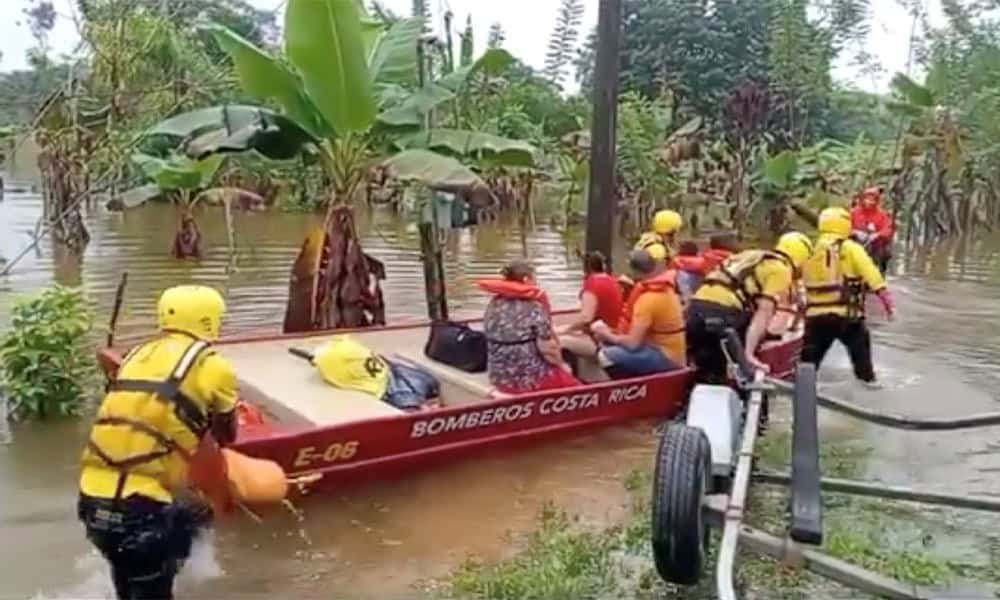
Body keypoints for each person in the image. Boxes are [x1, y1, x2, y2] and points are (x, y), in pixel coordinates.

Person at [78, 285, 239, 600]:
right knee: (151, 583)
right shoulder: (213, 366)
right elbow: (227, 435)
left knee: (193, 515)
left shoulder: (136, 355)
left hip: (91, 504)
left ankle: (166, 568)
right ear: (209, 319)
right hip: (140, 513)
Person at [685, 231, 814, 382]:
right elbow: (764, 313)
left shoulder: (748, 256)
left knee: (707, 366)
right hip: (725, 314)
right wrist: (749, 354)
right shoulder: (780, 269)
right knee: (743, 375)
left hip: (695, 310)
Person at [802, 206, 895, 387]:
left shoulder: (810, 248)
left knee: (807, 369)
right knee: (865, 373)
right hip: (848, 319)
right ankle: (869, 392)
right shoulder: (851, 248)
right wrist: (888, 303)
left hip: (816, 318)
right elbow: (872, 276)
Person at [480, 260, 581, 394]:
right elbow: (548, 350)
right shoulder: (534, 307)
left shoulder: (494, 304)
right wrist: (562, 365)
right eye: (535, 278)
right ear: (527, 279)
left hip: (498, 377)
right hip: (530, 379)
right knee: (577, 386)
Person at [590, 249, 686, 379]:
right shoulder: (667, 288)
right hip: (667, 350)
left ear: (634, 271)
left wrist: (606, 334)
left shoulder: (647, 299)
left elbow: (632, 343)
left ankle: (626, 387)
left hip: (667, 357)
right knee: (609, 343)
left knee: (605, 355)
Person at [558, 251, 624, 369]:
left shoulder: (592, 284)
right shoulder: (613, 281)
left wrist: (566, 329)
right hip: (612, 332)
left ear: (586, 269)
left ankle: (569, 378)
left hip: (599, 340)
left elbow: (586, 318)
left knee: (557, 341)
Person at [850, 186, 893, 273]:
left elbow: (888, 229)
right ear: (863, 199)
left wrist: (877, 235)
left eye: (873, 200)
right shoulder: (853, 212)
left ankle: (879, 274)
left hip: (875, 248)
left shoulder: (882, 214)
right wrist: (855, 232)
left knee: (885, 252)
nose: (870, 202)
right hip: (855, 246)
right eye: (868, 199)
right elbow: (843, 227)